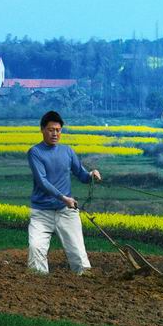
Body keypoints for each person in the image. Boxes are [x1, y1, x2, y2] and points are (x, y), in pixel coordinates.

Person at [26, 110, 102, 275]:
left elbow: (81, 175)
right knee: (36, 247)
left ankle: (85, 283)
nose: (55, 133)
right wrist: (63, 198)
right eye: (51, 129)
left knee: (78, 251)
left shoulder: (68, 151)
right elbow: (42, 181)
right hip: (41, 212)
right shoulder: (35, 152)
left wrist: (91, 175)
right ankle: (37, 283)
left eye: (58, 130)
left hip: (66, 211)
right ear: (42, 129)